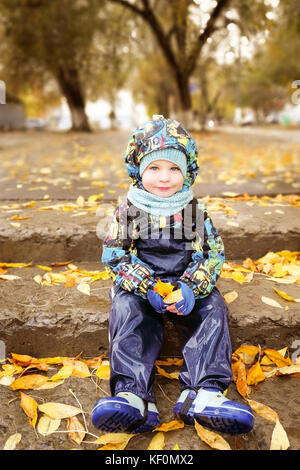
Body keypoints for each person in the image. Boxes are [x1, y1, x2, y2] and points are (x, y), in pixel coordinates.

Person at [92, 115, 254, 435]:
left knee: (214, 309)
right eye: (154, 168)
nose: (164, 178)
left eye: (174, 169)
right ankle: (133, 395)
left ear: (187, 171)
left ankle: (203, 393)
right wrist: (148, 285)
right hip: (144, 286)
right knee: (126, 310)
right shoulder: (129, 211)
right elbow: (115, 255)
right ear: (138, 170)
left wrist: (192, 287)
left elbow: (212, 254)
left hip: (186, 282)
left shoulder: (195, 211)